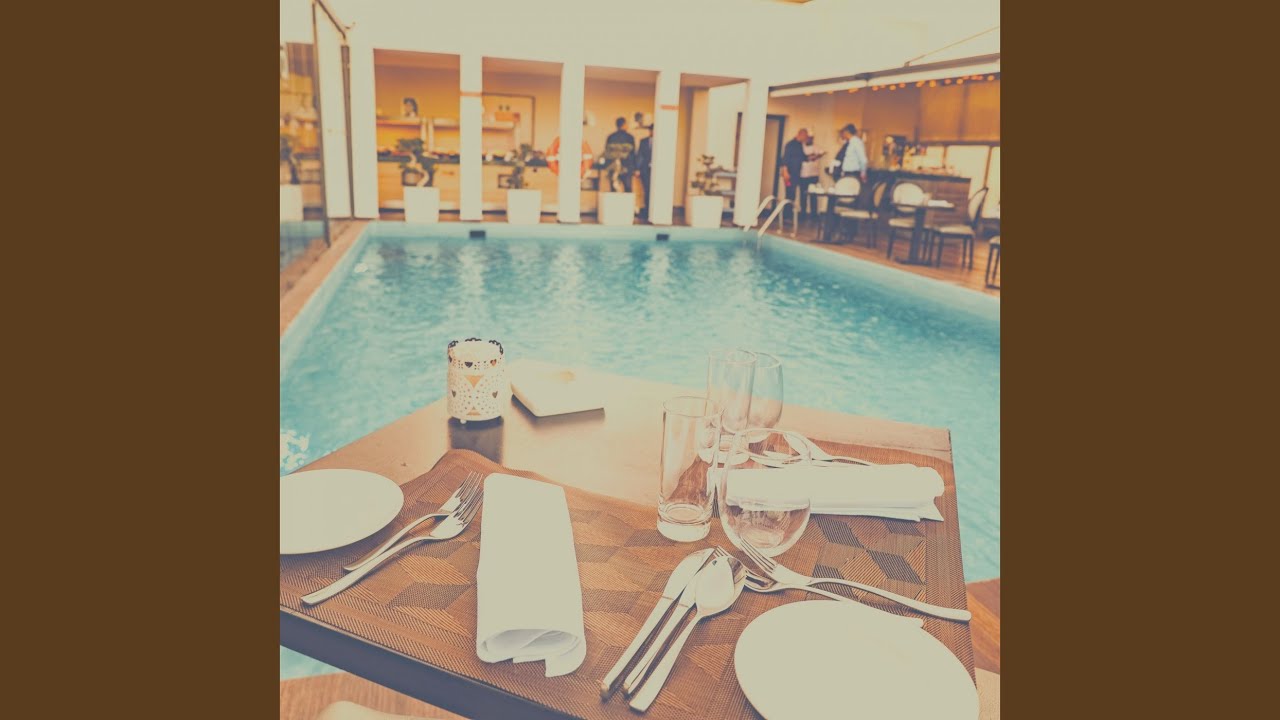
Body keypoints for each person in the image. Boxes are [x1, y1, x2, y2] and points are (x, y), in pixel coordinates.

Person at [780, 128, 811, 221]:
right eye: (805, 136)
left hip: (797, 174)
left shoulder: (800, 145)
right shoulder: (790, 144)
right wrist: (785, 172)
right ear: (801, 134)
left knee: (793, 195)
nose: (806, 138)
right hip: (789, 174)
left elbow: (802, 157)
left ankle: (790, 216)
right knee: (789, 194)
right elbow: (785, 159)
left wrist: (812, 157)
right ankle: (786, 216)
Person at [604, 116, 636, 192]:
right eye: (626, 124)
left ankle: (614, 200)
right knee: (628, 189)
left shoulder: (611, 137)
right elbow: (632, 153)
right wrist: (634, 167)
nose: (627, 126)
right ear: (624, 125)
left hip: (613, 167)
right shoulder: (629, 137)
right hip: (627, 167)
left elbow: (607, 152)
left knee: (613, 188)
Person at [800, 134, 825, 216]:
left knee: (813, 195)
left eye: (811, 138)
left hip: (814, 174)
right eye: (808, 138)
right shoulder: (801, 147)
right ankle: (803, 212)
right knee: (803, 195)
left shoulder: (816, 147)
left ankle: (814, 213)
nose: (809, 139)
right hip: (803, 174)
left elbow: (822, 153)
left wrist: (814, 156)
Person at [635, 126, 653, 220]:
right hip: (645, 169)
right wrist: (637, 169)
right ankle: (646, 210)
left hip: (656, 170)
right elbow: (640, 155)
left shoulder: (661, 141)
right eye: (651, 130)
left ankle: (652, 209)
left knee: (653, 190)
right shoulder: (644, 141)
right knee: (646, 189)